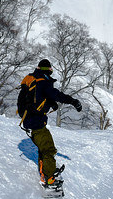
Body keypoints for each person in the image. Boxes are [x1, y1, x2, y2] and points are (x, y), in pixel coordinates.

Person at [19, 58, 83, 188]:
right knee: (48, 149)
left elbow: (40, 97)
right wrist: (73, 101)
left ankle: (45, 174)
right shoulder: (43, 82)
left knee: (44, 149)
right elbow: (57, 94)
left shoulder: (34, 80)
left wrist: (50, 103)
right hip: (35, 121)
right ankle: (49, 179)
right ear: (48, 70)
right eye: (50, 69)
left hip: (29, 119)